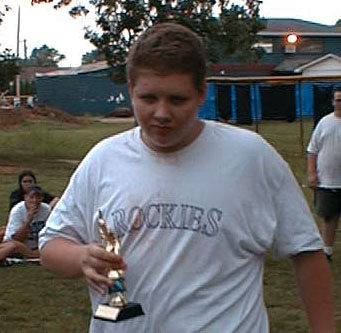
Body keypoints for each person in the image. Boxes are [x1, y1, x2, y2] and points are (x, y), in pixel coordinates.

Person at [39, 23, 336, 332]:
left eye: (177, 100)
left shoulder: (251, 157)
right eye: (148, 98)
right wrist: (82, 257)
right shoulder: (103, 160)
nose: (162, 113)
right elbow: (50, 246)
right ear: (130, 89)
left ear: (201, 93)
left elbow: (306, 253)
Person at [307, 86, 341, 262]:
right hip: (328, 180)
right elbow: (312, 150)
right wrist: (312, 173)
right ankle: (326, 250)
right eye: (338, 100)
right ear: (333, 102)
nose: (340, 103)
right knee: (329, 216)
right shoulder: (324, 123)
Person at [5, 185, 50, 258]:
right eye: (31, 197)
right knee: (13, 246)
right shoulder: (17, 211)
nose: (35, 201)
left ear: (42, 198)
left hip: (38, 245)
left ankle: (35, 254)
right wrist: (28, 220)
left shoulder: (46, 209)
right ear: (25, 197)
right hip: (19, 245)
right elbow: (16, 239)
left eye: (38, 197)